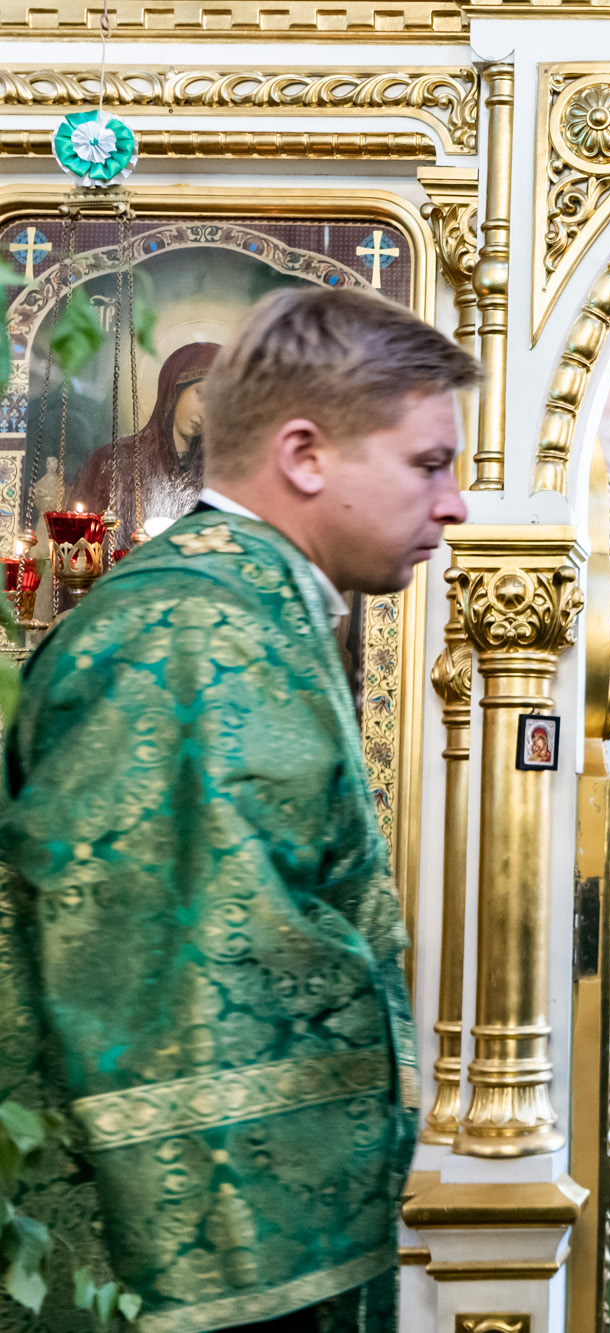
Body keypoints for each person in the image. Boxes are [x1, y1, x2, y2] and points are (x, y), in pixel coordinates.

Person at [0, 285, 475, 1333]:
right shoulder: (189, 640)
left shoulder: (244, 615)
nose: (454, 507)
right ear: (305, 456)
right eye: (428, 464)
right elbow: (181, 1024)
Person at [73, 340, 220, 537]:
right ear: (175, 389)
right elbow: (81, 545)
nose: (204, 413)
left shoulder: (217, 474)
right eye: (201, 395)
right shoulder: (111, 461)